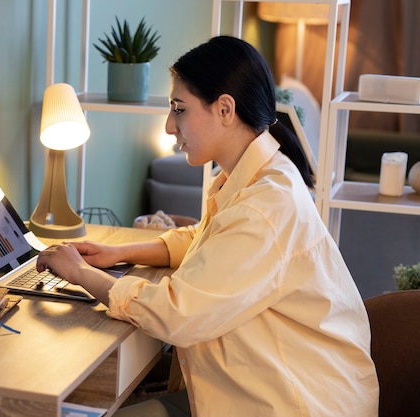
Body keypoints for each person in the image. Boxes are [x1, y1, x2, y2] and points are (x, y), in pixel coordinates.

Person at [36, 36, 379, 417]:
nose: (169, 125)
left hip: (291, 402)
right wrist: (119, 252)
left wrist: (82, 273)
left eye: (179, 110)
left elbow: (176, 315)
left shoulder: (265, 206)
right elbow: (208, 239)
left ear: (226, 109)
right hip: (268, 387)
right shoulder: (256, 176)